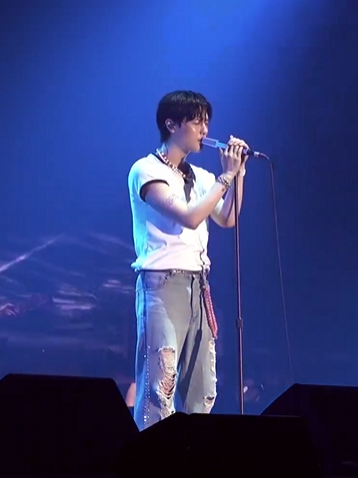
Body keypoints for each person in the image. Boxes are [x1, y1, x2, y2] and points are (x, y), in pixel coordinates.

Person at [127, 90, 249, 430]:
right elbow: (191, 217)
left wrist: (238, 175)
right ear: (171, 124)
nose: (204, 130)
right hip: (162, 285)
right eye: (197, 122)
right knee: (160, 385)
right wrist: (226, 177)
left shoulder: (201, 177)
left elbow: (228, 217)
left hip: (198, 285)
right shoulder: (146, 170)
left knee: (202, 387)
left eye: (207, 122)